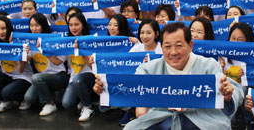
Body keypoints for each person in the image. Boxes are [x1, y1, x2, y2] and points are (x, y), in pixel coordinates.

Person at [94, 22, 244, 129]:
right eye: (167, 46)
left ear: (190, 45)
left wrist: (228, 95)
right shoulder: (149, 69)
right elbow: (131, 92)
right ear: (161, 47)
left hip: (201, 119)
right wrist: (106, 90)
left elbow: (233, 91)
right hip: (161, 118)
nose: (173, 52)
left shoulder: (208, 65)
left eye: (179, 45)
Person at [20, 13, 68, 116]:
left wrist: (43, 50)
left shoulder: (54, 40)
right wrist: (23, 54)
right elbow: (22, 66)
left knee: (36, 77)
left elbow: (58, 62)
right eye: (31, 25)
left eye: (37, 25)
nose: (34, 28)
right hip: (42, 78)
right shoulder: (31, 43)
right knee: (29, 98)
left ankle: (49, 103)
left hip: (58, 76)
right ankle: (48, 93)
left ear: (43, 25)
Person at [0, 17, 32, 113]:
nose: (1, 32)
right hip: (8, 76)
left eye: (3, 28)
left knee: (6, 92)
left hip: (23, 77)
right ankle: (6, 101)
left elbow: (20, 70)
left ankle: (23, 98)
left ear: (9, 28)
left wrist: (23, 55)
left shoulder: (19, 42)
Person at [61, 12, 97, 122]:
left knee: (78, 79)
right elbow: (58, 62)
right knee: (66, 103)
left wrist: (81, 51)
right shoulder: (67, 41)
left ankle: (88, 107)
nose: (73, 28)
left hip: (90, 77)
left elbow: (93, 66)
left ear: (83, 25)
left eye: (76, 24)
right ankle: (83, 97)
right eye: (70, 25)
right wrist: (42, 49)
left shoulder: (91, 40)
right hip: (74, 78)